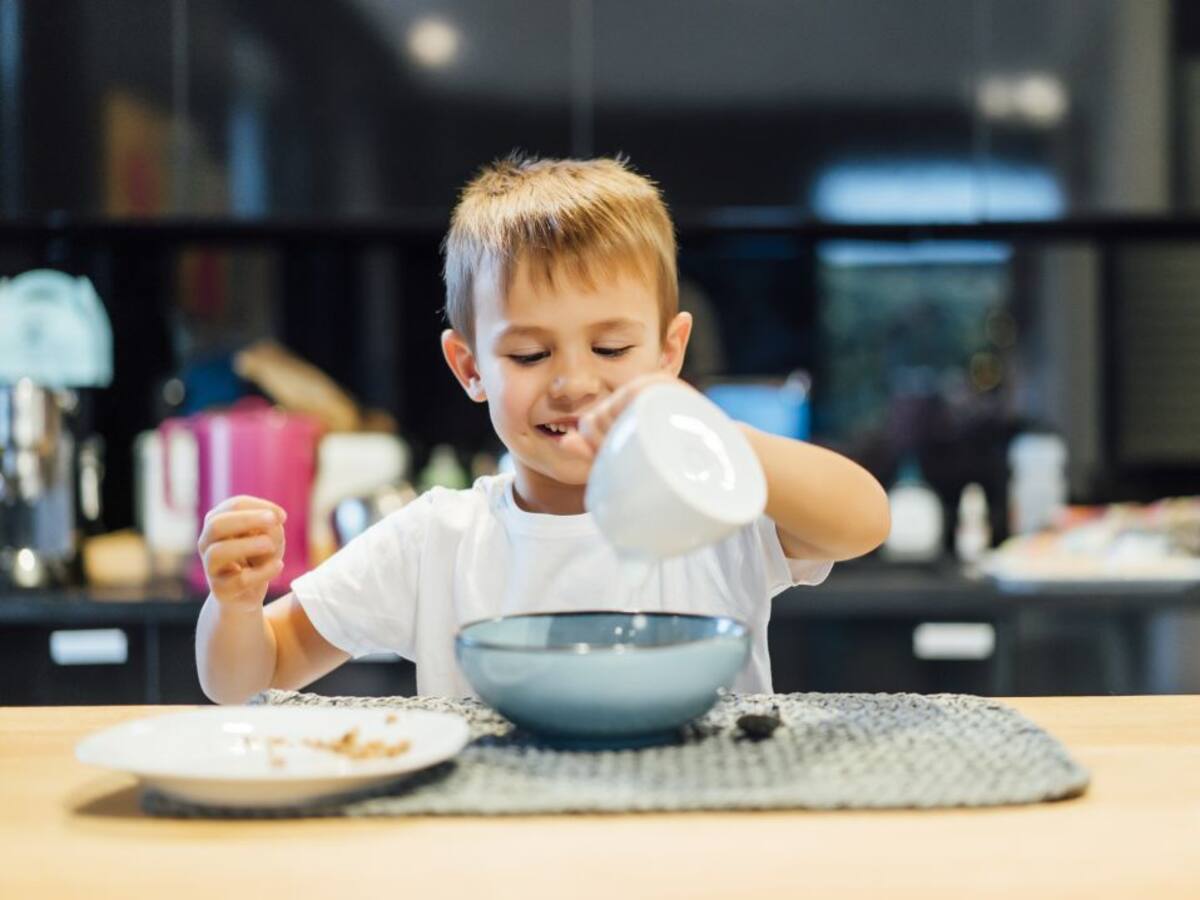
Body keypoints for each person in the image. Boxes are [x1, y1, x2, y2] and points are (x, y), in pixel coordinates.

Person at [195, 155, 890, 703]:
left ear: (669, 354)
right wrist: (233, 607)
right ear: (469, 367)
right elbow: (255, 672)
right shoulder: (436, 541)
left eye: (612, 350)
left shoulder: (714, 506)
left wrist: (716, 436)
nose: (574, 383)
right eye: (529, 354)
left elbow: (862, 522)